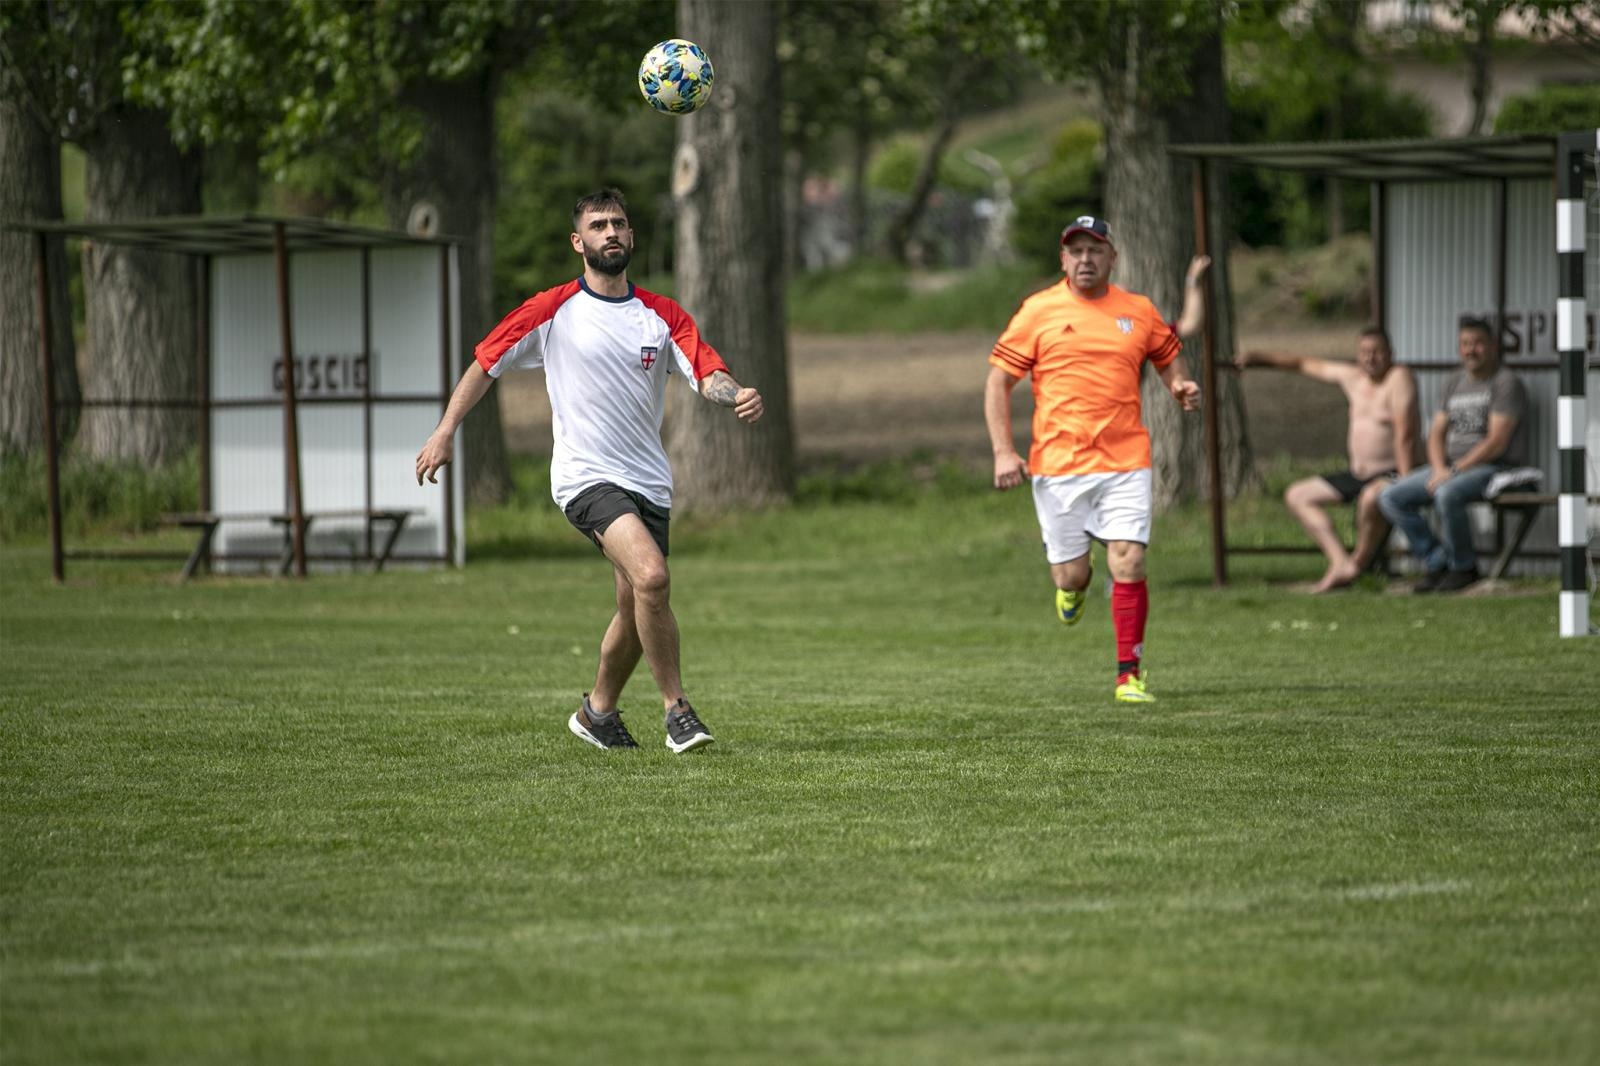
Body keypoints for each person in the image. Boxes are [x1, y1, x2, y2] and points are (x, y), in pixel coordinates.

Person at [415, 188, 764, 751]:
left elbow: (706, 372)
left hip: (649, 481)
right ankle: (677, 711)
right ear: (579, 242)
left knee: (633, 607)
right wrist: (445, 430)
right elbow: (486, 361)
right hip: (585, 477)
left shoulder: (662, 315)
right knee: (652, 577)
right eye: (599, 225)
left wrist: (737, 393)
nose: (612, 232)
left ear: (631, 236)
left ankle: (598, 713)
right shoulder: (551, 309)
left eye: (620, 223)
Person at [984, 215, 1201, 704]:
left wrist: (1179, 386)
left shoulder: (1138, 311)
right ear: (1063, 259)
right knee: (1073, 574)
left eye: (1095, 251)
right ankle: (1072, 588)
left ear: (1112, 258)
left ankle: (1129, 675)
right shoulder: (1037, 311)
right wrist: (1003, 451)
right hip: (1058, 464)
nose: (1086, 259)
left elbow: (1168, 356)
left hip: (1125, 459)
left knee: (1130, 559)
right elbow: (998, 381)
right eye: (1076, 251)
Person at [1238, 327, 1419, 592]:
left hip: (1390, 472)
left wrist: (1405, 480)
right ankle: (1340, 562)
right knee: (1298, 495)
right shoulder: (1352, 378)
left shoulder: (1398, 378)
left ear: (1390, 353)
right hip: (1357, 472)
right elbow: (1303, 363)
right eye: (1365, 352)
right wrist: (1258, 358)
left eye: (1377, 352)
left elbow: (1406, 434)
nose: (1371, 358)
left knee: (1370, 498)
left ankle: (1360, 564)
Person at [1377, 316, 1528, 594]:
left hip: (1494, 468)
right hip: (1448, 468)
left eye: (1478, 344)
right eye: (1465, 344)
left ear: (1493, 346)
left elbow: (1496, 442)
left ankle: (1463, 567)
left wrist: (1454, 471)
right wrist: (1438, 468)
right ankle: (1437, 563)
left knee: (1447, 493)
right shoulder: (1453, 382)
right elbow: (1435, 433)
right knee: (1391, 496)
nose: (1471, 350)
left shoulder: (1506, 383)